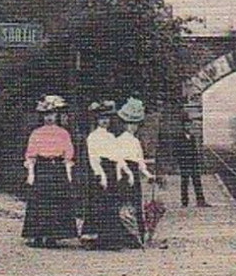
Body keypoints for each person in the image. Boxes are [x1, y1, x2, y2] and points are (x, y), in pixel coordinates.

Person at [22, 95, 78, 248]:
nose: (50, 117)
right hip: (42, 168)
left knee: (56, 202)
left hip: (57, 168)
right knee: (40, 202)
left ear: (57, 115)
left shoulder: (63, 133)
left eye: (52, 114)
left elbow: (68, 154)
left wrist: (68, 174)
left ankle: (53, 236)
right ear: (42, 116)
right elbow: (31, 154)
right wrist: (31, 174)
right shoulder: (37, 133)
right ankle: (38, 235)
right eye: (47, 114)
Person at [105, 97, 154, 248]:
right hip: (123, 174)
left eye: (135, 124)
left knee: (135, 203)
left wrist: (148, 174)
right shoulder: (119, 140)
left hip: (134, 173)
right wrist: (122, 174)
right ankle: (126, 235)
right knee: (124, 204)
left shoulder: (136, 142)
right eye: (129, 124)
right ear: (124, 124)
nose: (132, 127)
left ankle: (138, 236)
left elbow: (140, 161)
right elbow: (118, 160)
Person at [83, 100, 121, 247]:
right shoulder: (93, 137)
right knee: (99, 203)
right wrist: (101, 174)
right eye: (101, 118)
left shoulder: (111, 137)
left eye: (107, 118)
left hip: (111, 169)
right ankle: (95, 237)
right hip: (100, 169)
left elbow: (116, 156)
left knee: (111, 203)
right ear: (97, 120)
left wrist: (117, 172)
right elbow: (93, 157)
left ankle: (110, 237)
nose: (105, 121)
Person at [173, 123, 208, 208]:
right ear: (183, 127)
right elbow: (175, 152)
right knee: (184, 183)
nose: (189, 127)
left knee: (197, 182)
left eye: (190, 126)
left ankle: (201, 201)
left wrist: (198, 161)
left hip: (193, 164)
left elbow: (195, 151)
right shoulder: (179, 138)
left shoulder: (192, 137)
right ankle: (184, 202)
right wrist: (180, 162)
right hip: (184, 164)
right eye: (187, 125)